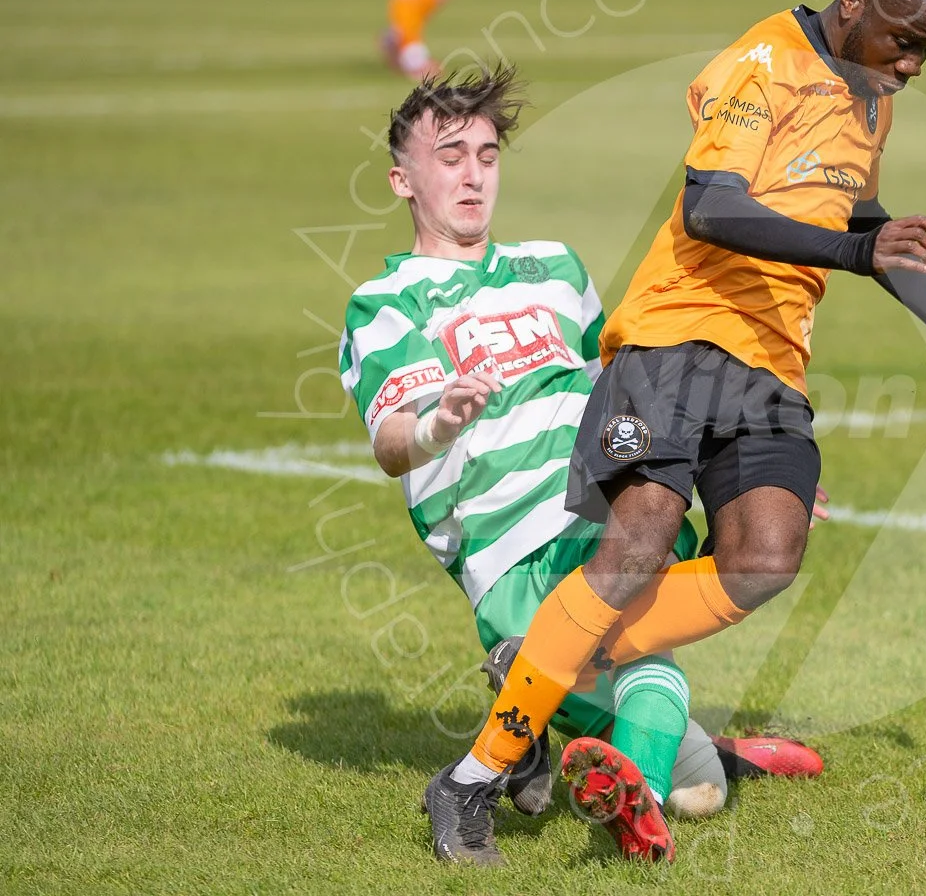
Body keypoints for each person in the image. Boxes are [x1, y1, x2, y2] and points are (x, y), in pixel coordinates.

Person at [460, 0, 926, 860]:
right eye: (906, 40)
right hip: (676, 339)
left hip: (768, 365)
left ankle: (551, 664)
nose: (916, 64)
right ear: (853, 1)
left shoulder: (871, 98)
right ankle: (472, 779)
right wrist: (851, 250)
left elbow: (861, 224)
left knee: (767, 554)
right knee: (634, 545)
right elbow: (710, 204)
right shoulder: (764, 62)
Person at [337, 68, 821, 868]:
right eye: (449, 155)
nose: (472, 175)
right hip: (509, 541)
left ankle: (562, 713)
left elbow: (626, 392)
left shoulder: (555, 268)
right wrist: (439, 421)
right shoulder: (388, 299)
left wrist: (746, 474)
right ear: (402, 179)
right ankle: (618, 764)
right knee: (666, 722)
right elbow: (392, 443)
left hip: (600, 509)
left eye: (487, 155)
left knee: (689, 764)